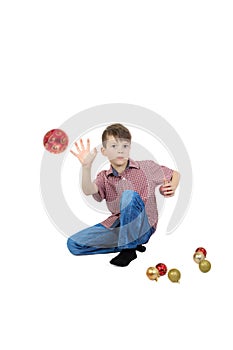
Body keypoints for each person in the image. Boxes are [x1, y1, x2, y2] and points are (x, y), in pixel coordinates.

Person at [67, 123, 180, 267]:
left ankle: (128, 249)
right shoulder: (104, 177)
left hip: (144, 226)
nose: (120, 151)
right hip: (118, 225)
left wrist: (173, 186)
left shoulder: (146, 167)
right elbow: (88, 190)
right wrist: (86, 167)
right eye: (114, 146)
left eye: (125, 146)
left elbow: (175, 174)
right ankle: (129, 242)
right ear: (104, 151)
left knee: (129, 195)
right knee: (74, 244)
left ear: (129, 149)